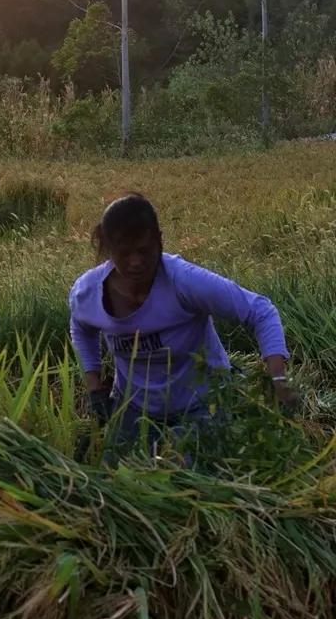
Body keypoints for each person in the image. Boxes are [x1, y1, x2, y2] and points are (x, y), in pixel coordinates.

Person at [68, 193, 294, 450]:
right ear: (108, 247)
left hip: (202, 403)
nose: (135, 262)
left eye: (144, 250)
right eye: (124, 252)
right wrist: (94, 386)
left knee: (187, 472)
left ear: (159, 241)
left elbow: (261, 311)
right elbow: (81, 327)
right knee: (115, 472)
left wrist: (278, 380)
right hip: (134, 406)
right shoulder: (88, 293)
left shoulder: (184, 282)